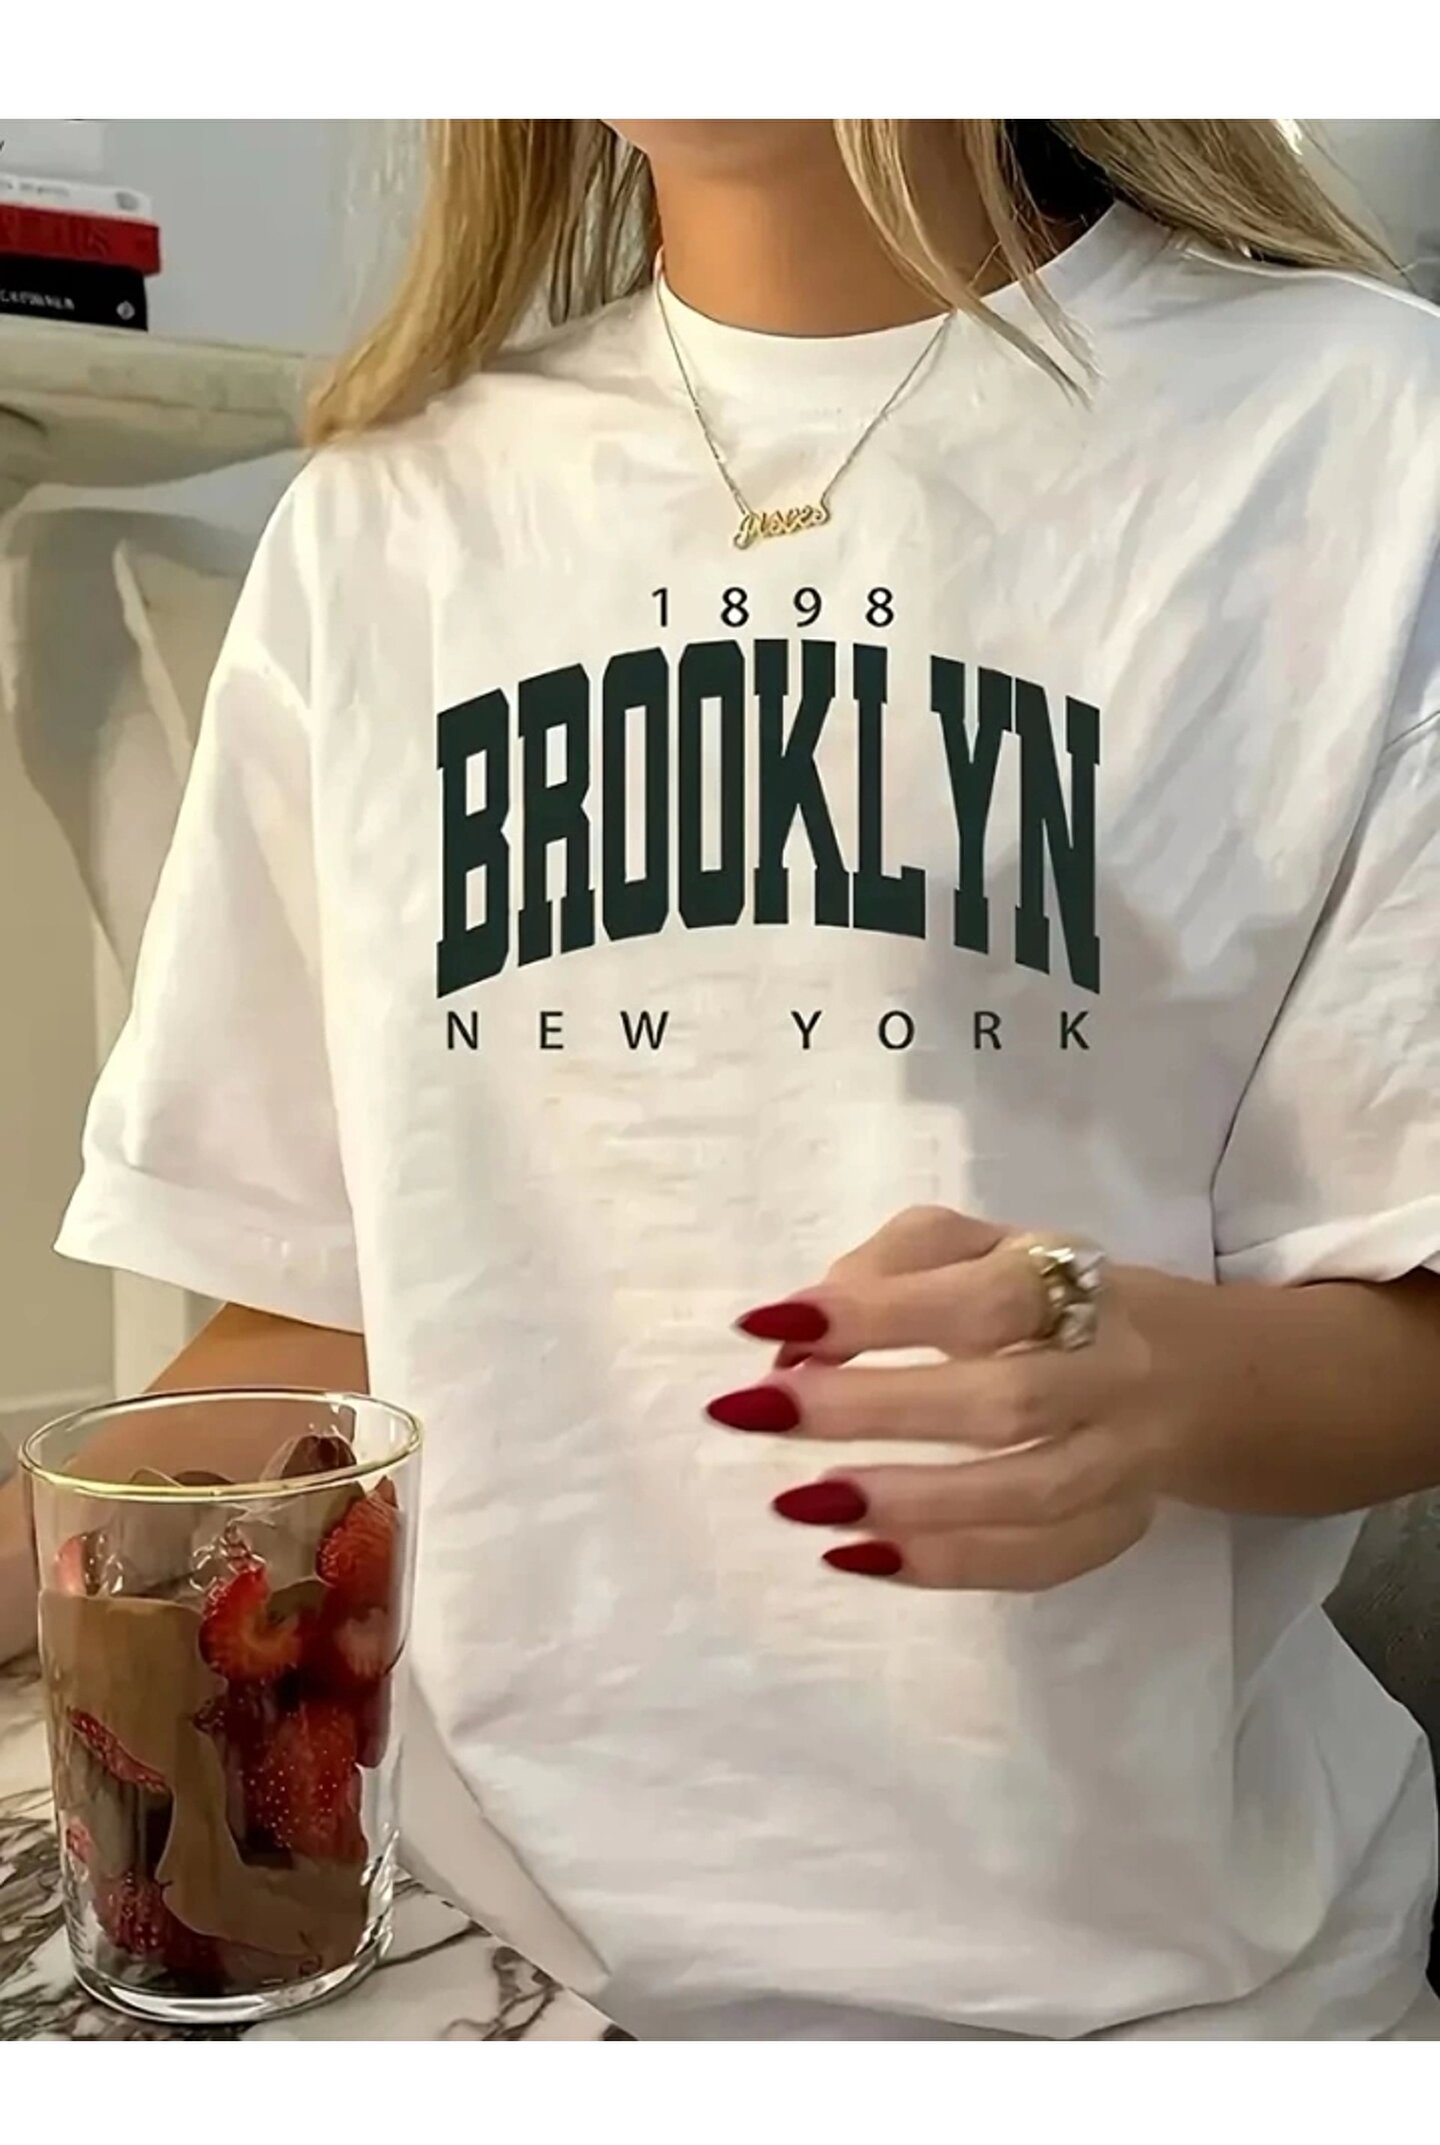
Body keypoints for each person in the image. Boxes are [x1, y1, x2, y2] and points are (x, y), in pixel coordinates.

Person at [5, 118, 1440, 2039]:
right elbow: (316, 1310)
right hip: (463, 1959)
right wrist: (51, 1543)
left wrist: (1158, 1378)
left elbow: (1413, 1300)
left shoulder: (1359, 432)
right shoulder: (385, 518)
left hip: (1146, 1999)